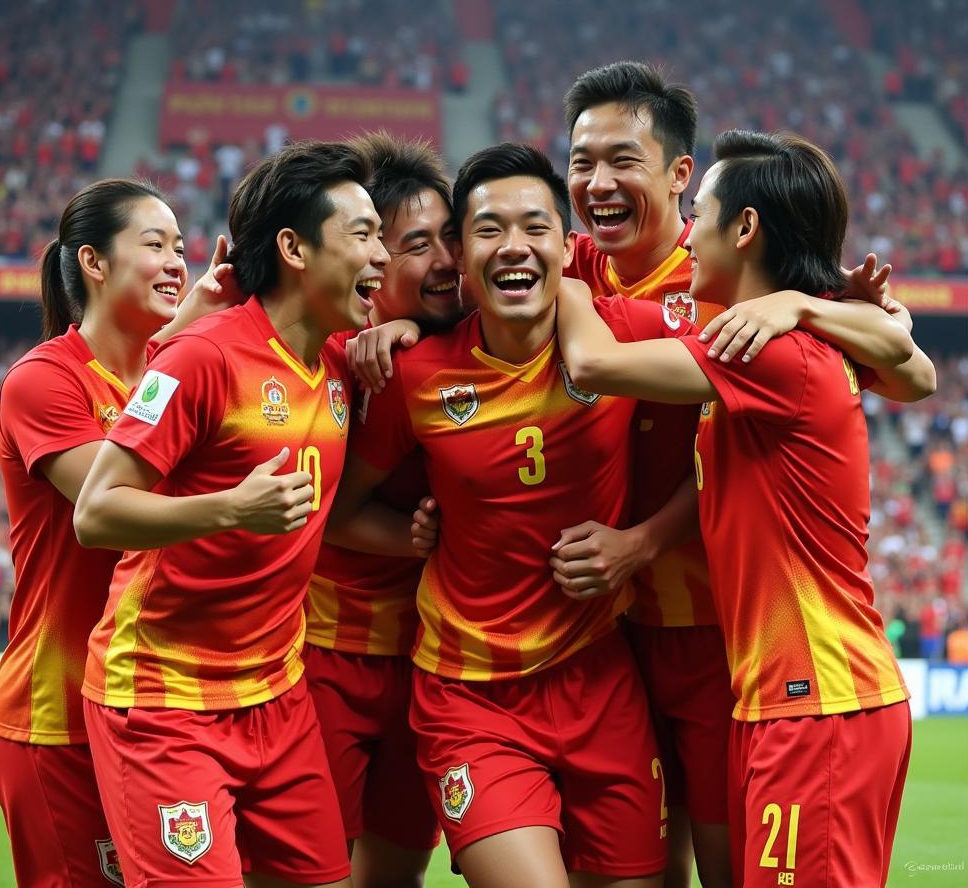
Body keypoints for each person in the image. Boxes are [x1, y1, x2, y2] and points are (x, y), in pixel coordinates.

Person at [556, 130, 936, 888]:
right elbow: (914, 371)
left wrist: (565, 280)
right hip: (796, 698)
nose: (687, 232)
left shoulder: (772, 351)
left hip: (819, 700)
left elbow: (592, 364)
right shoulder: (781, 338)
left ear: (746, 228)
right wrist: (815, 305)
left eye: (699, 213)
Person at [330, 143, 680, 888]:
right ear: (461, 252)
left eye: (535, 227)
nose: (514, 246)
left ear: (567, 244)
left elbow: (771, 413)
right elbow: (338, 511)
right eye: (489, 229)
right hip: (468, 695)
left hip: (600, 678)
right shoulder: (413, 373)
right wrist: (410, 539)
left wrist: (643, 542)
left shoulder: (629, 334)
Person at [73, 141, 393, 888]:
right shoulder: (203, 357)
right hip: (161, 699)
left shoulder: (340, 359)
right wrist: (230, 509)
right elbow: (97, 510)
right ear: (294, 248)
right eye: (363, 234)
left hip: (277, 697)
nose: (380, 254)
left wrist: (398, 331)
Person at [0, 177, 235, 888]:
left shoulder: (170, 376)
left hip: (154, 709)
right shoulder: (43, 381)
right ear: (93, 262)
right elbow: (121, 497)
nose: (175, 261)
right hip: (55, 716)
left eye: (181, 247)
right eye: (153, 244)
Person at [560, 59, 732, 888]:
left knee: (731, 861)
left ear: (679, 174)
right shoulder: (564, 270)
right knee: (625, 869)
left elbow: (744, 459)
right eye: (582, 161)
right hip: (596, 637)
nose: (598, 182)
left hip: (713, 630)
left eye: (622, 160)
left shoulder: (728, 288)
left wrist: (640, 544)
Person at [304, 132, 460, 888]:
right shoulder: (334, 354)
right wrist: (420, 542)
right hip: (326, 653)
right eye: (414, 245)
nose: (445, 263)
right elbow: (324, 512)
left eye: (449, 239)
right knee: (312, 869)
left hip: (431, 662)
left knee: (396, 870)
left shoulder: (484, 337)